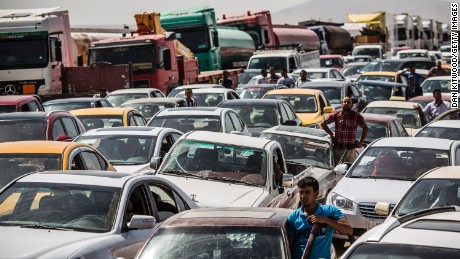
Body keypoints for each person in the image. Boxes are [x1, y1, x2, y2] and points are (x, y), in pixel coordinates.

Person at [287, 177, 352, 259]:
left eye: (307, 192)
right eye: (301, 192)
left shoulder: (329, 211)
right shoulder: (294, 217)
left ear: (316, 193)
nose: (303, 196)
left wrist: (325, 220)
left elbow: (348, 230)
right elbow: (288, 247)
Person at [321, 97, 368, 165]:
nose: (346, 104)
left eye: (349, 102)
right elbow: (323, 123)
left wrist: (360, 142)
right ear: (341, 104)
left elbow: (365, 129)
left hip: (350, 151)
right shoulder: (336, 115)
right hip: (337, 150)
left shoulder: (357, 116)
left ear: (352, 105)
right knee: (336, 171)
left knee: (348, 170)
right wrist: (331, 134)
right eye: (345, 102)